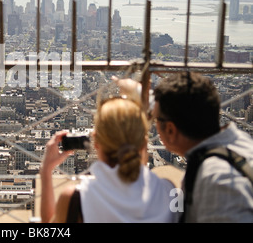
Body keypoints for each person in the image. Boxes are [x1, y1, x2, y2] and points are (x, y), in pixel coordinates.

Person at [116, 72, 253, 222]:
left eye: (155, 119)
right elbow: (176, 108)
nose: (154, 123)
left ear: (170, 130)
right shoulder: (239, 141)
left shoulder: (217, 182)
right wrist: (136, 90)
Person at [40, 96, 179, 223]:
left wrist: (46, 170)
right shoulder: (169, 192)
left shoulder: (77, 199)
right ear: (143, 143)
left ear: (96, 142)